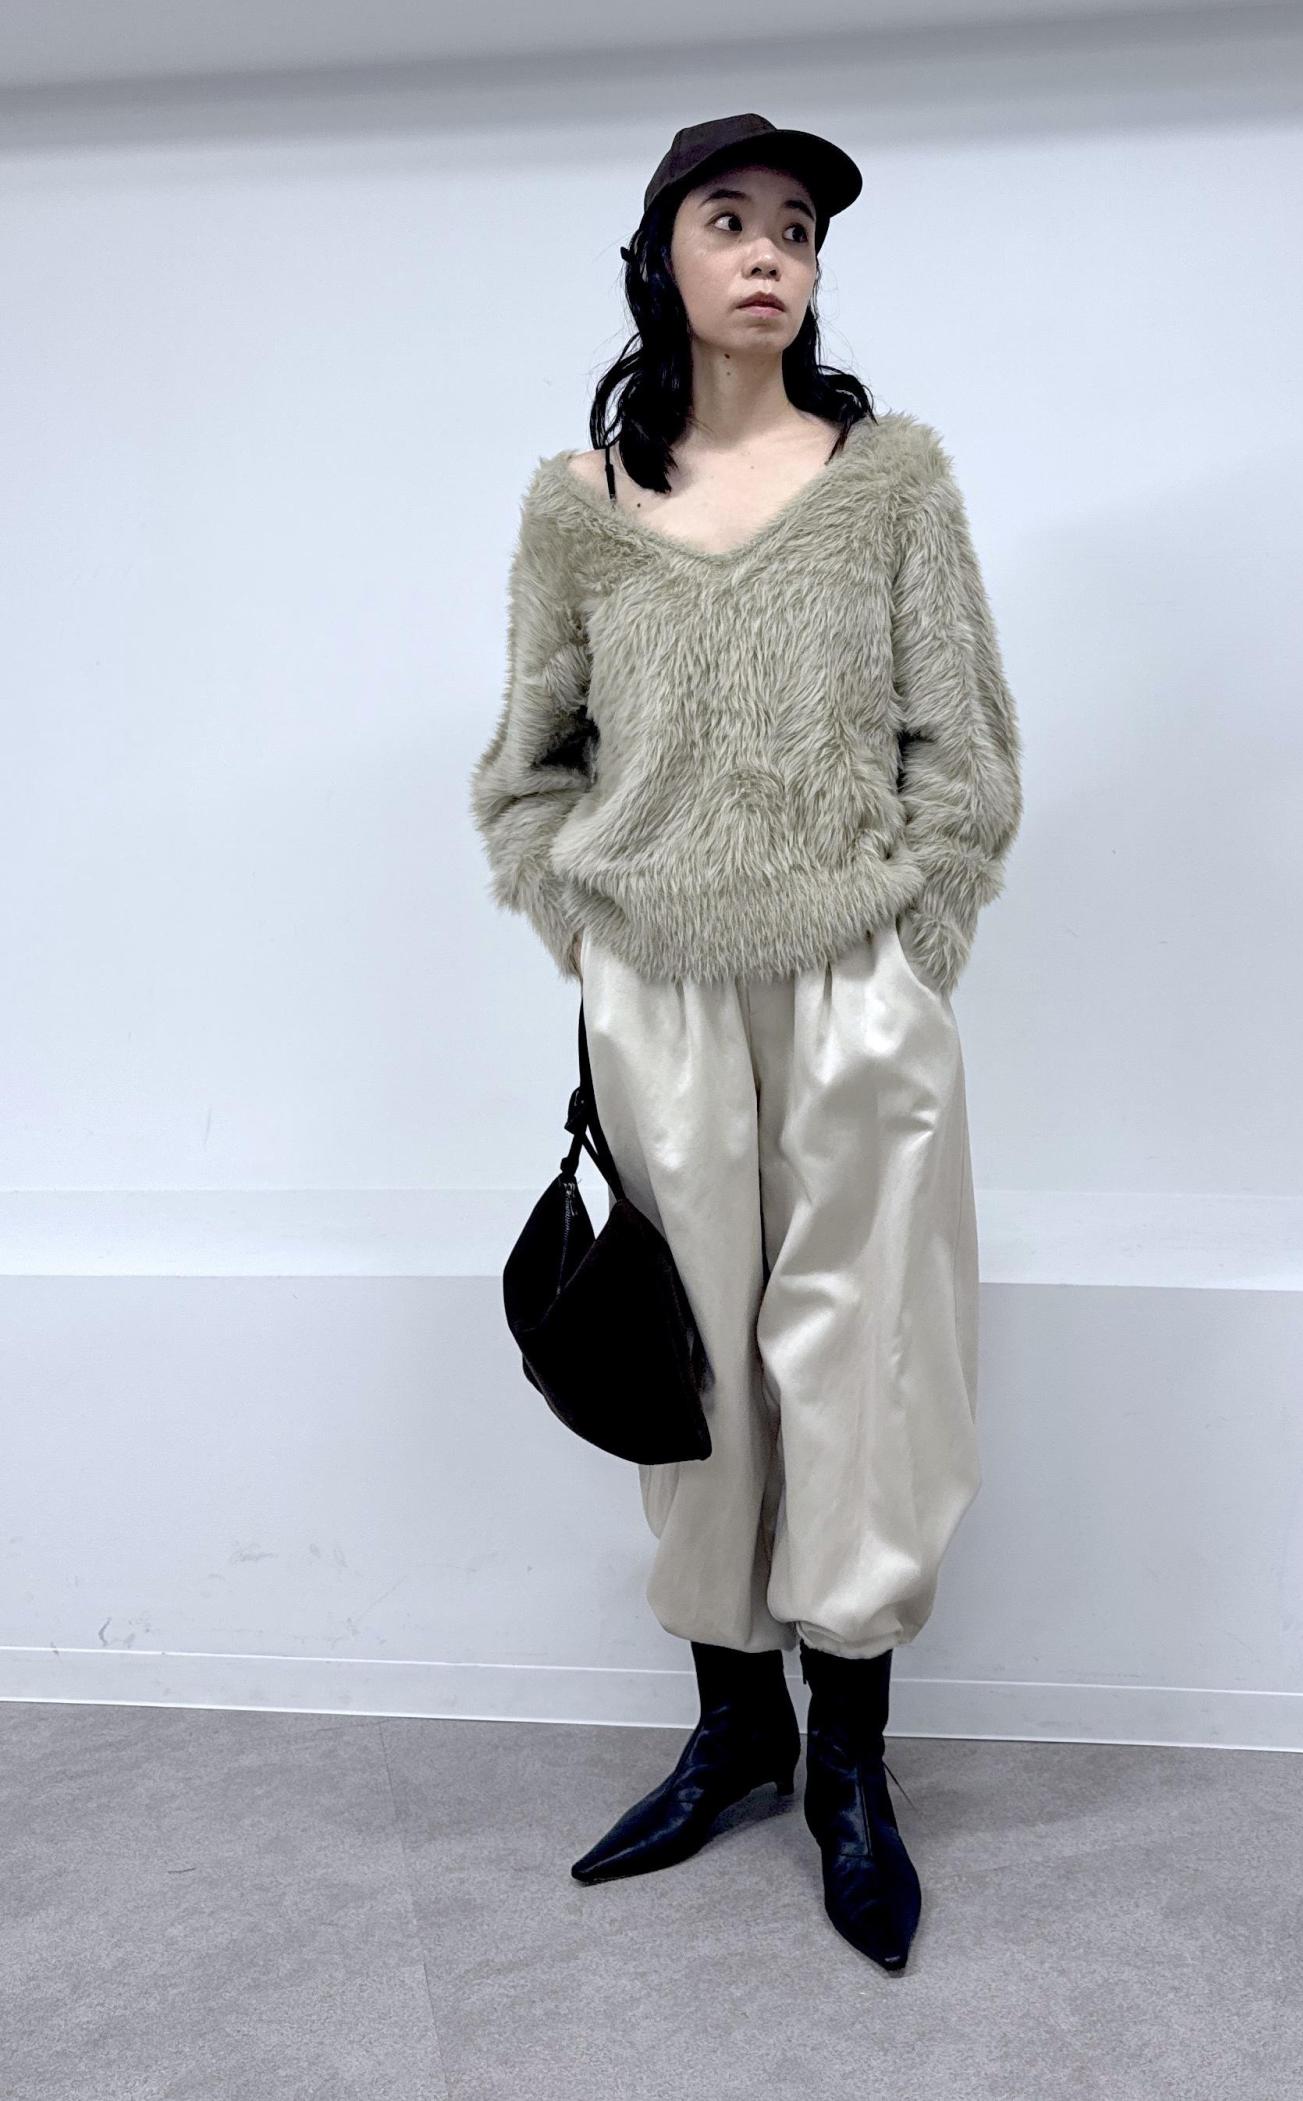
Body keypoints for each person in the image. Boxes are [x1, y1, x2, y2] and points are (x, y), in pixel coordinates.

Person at [469, 113, 1024, 1973]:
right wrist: (588, 933)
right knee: (687, 1355)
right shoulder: (579, 507)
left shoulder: (892, 481)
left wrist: (914, 949)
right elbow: (527, 762)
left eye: (797, 225)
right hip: (659, 993)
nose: (771, 249)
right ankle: (735, 1733)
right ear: (665, 255)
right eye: (732, 219)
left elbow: (965, 744)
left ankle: (852, 1757)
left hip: (857, 980)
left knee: (867, 1358)